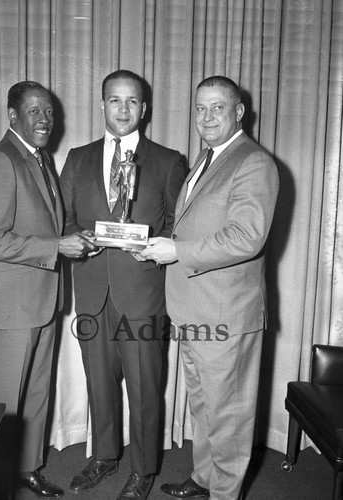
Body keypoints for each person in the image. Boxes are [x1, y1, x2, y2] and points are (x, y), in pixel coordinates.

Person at [142, 76, 279, 500]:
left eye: (217, 107)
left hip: (226, 313)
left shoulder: (253, 161)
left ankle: (225, 493)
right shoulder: (207, 158)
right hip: (192, 309)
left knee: (228, 416)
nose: (206, 117)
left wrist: (177, 251)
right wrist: (152, 246)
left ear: (239, 112)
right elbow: (192, 224)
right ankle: (204, 479)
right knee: (203, 406)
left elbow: (247, 237)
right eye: (200, 108)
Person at [59, 69, 187, 500]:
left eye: (132, 101)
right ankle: (105, 456)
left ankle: (144, 468)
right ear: (101, 105)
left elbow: (176, 225)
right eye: (115, 100)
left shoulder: (169, 161)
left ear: (144, 108)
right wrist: (82, 239)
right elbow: (65, 218)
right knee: (99, 381)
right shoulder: (77, 156)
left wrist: (152, 245)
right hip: (93, 289)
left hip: (143, 291)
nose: (123, 109)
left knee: (145, 384)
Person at [0, 81, 96, 499]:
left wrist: (82, 237)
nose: (44, 119)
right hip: (9, 308)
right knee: (2, 407)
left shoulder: (39, 160)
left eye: (49, 112)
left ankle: (25, 471)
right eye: (34, 111)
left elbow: (48, 226)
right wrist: (56, 246)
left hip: (41, 301)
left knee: (36, 395)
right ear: (12, 116)